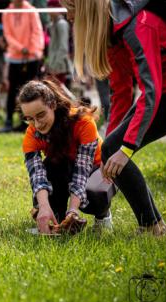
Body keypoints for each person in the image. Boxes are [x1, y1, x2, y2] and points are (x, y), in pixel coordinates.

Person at [62, 0, 166, 235]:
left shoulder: (139, 26)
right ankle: (155, 227)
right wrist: (108, 152)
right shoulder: (112, 32)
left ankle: (152, 227)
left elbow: (150, 90)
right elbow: (121, 92)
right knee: (111, 148)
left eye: (70, 8)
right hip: (163, 92)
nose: (67, 16)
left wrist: (125, 150)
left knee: (117, 149)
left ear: (85, 9)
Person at [20, 80, 113, 234]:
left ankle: (103, 216)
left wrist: (73, 209)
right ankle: (58, 219)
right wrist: (43, 207)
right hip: (63, 168)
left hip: (96, 169)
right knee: (42, 194)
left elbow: (82, 171)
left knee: (95, 196)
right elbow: (37, 176)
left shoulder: (83, 122)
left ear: (53, 105)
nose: (37, 124)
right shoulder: (31, 135)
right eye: (29, 118)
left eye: (41, 115)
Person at [0, 0, 45, 133]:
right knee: (12, 91)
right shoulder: (7, 13)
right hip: (14, 57)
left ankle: (27, 122)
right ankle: (8, 121)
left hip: (31, 57)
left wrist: (32, 50)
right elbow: (7, 35)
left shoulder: (32, 10)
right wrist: (21, 48)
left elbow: (37, 31)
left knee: (30, 91)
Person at [44, 0, 73, 86]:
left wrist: (56, 66)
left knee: (60, 91)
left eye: (51, 8)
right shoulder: (51, 24)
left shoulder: (62, 24)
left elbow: (63, 47)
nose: (49, 10)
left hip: (59, 66)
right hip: (53, 64)